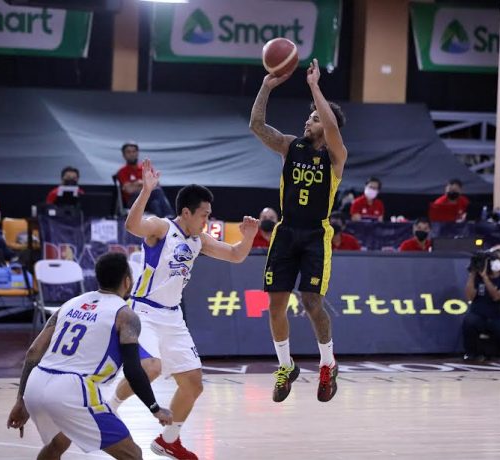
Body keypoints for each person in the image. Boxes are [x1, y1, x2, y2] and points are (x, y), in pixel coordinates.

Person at [107, 160, 258, 459]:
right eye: (204, 214)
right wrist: (146, 191)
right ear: (186, 212)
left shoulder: (199, 240)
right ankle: (108, 407)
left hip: (172, 316)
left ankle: (168, 440)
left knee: (193, 384)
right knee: (150, 368)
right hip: (144, 311)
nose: (207, 220)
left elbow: (235, 255)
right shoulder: (163, 228)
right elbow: (132, 225)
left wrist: (249, 235)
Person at [6, 252, 174, 459]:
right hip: (72, 391)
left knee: (58, 444)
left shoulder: (70, 304)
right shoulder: (126, 315)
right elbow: (132, 370)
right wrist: (155, 408)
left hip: (36, 385)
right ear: (127, 281)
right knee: (132, 455)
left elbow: (33, 352)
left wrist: (21, 400)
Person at [249, 58, 346, 403]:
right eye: (309, 116)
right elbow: (257, 125)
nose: (309, 120)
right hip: (286, 232)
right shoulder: (291, 146)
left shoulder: (336, 155)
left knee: (311, 301)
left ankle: (327, 364)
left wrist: (314, 86)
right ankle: (285, 366)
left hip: (316, 235)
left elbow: (332, 125)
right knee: (275, 304)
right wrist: (266, 86)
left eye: (315, 117)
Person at [462, 246, 500, 361]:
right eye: (493, 258)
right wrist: (472, 274)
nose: (496, 261)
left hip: (495, 319)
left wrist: (485, 278)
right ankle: (470, 352)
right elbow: (469, 296)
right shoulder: (477, 278)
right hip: (478, 317)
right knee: (469, 321)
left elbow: (496, 297)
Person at [116, 142, 174, 217]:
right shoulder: (122, 171)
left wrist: (137, 184)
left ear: (137, 153)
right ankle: (170, 216)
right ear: (124, 155)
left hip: (149, 200)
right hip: (134, 202)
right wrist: (146, 184)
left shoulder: (146, 168)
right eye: (128, 152)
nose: (132, 154)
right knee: (156, 192)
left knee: (155, 203)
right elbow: (129, 190)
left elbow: (155, 184)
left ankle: (164, 223)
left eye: (134, 151)